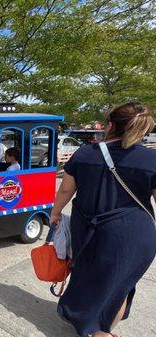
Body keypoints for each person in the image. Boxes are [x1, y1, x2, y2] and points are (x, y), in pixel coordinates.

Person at [49, 102, 156, 337]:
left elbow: (66, 190)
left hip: (87, 229)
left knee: (86, 274)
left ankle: (89, 325)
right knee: (120, 285)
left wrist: (55, 213)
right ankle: (104, 330)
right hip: (133, 234)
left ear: (110, 125)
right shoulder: (152, 159)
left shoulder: (85, 153)